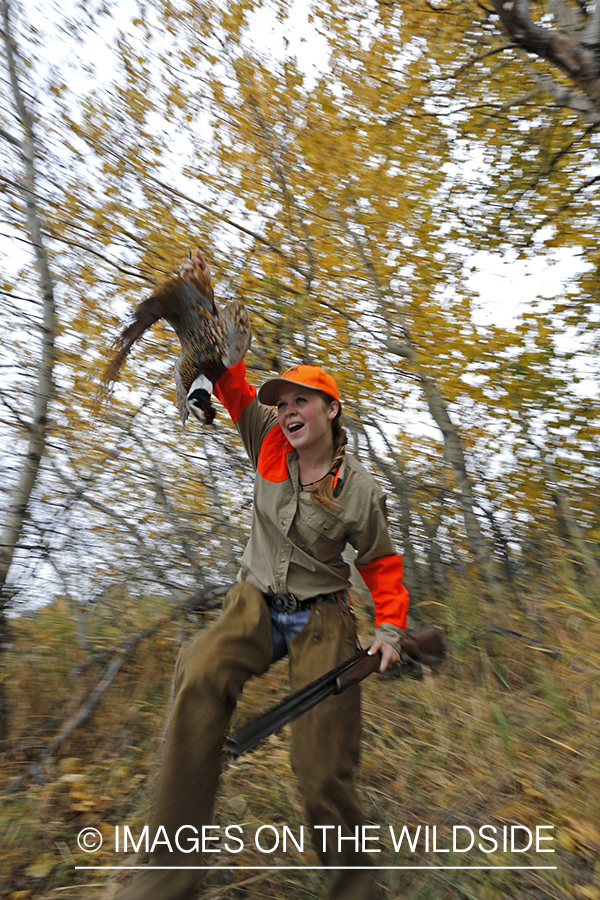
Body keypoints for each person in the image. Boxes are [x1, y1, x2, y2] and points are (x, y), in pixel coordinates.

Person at [116, 251, 409, 900]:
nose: (285, 409)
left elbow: (381, 563)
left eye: (300, 400)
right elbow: (229, 383)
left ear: (330, 411)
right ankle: (159, 884)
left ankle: (355, 888)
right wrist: (200, 311)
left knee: (321, 767)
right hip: (254, 603)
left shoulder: (358, 490)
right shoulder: (267, 440)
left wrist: (390, 628)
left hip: (323, 616)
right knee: (198, 672)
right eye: (281, 402)